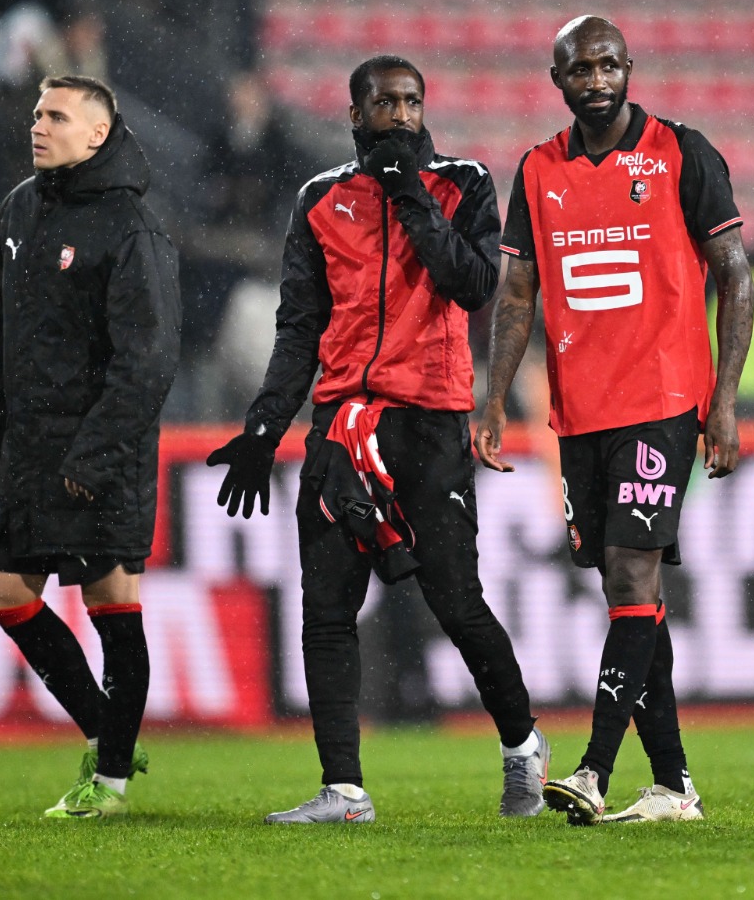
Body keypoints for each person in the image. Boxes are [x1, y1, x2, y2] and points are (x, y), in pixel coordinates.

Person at [208, 55, 548, 824]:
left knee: (456, 602)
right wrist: (265, 426)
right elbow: (299, 326)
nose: (400, 113)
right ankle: (344, 789)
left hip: (428, 422)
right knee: (327, 607)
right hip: (340, 428)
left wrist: (409, 197)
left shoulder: (463, 183)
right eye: (384, 102)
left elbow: (473, 285)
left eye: (412, 100)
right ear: (355, 114)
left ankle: (523, 744)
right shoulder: (320, 198)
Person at [476, 16, 754, 825]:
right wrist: (494, 399)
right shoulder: (536, 170)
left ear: (629, 67)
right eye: (579, 68)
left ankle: (595, 768)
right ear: (557, 80)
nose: (595, 78)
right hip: (581, 412)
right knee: (630, 596)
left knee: (632, 579)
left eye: (607, 64)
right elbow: (518, 294)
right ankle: (673, 786)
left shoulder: (681, 152)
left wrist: (724, 400)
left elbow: (734, 275)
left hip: (663, 402)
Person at [0, 75, 181, 820]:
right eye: (35, 112)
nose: (39, 125)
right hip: (30, 446)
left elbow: (147, 361)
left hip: (101, 451)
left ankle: (112, 783)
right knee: (8, 598)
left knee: (110, 599)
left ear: (97, 133)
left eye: (56, 115)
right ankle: (107, 730)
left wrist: (92, 460)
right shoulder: (20, 208)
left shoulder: (131, 227)